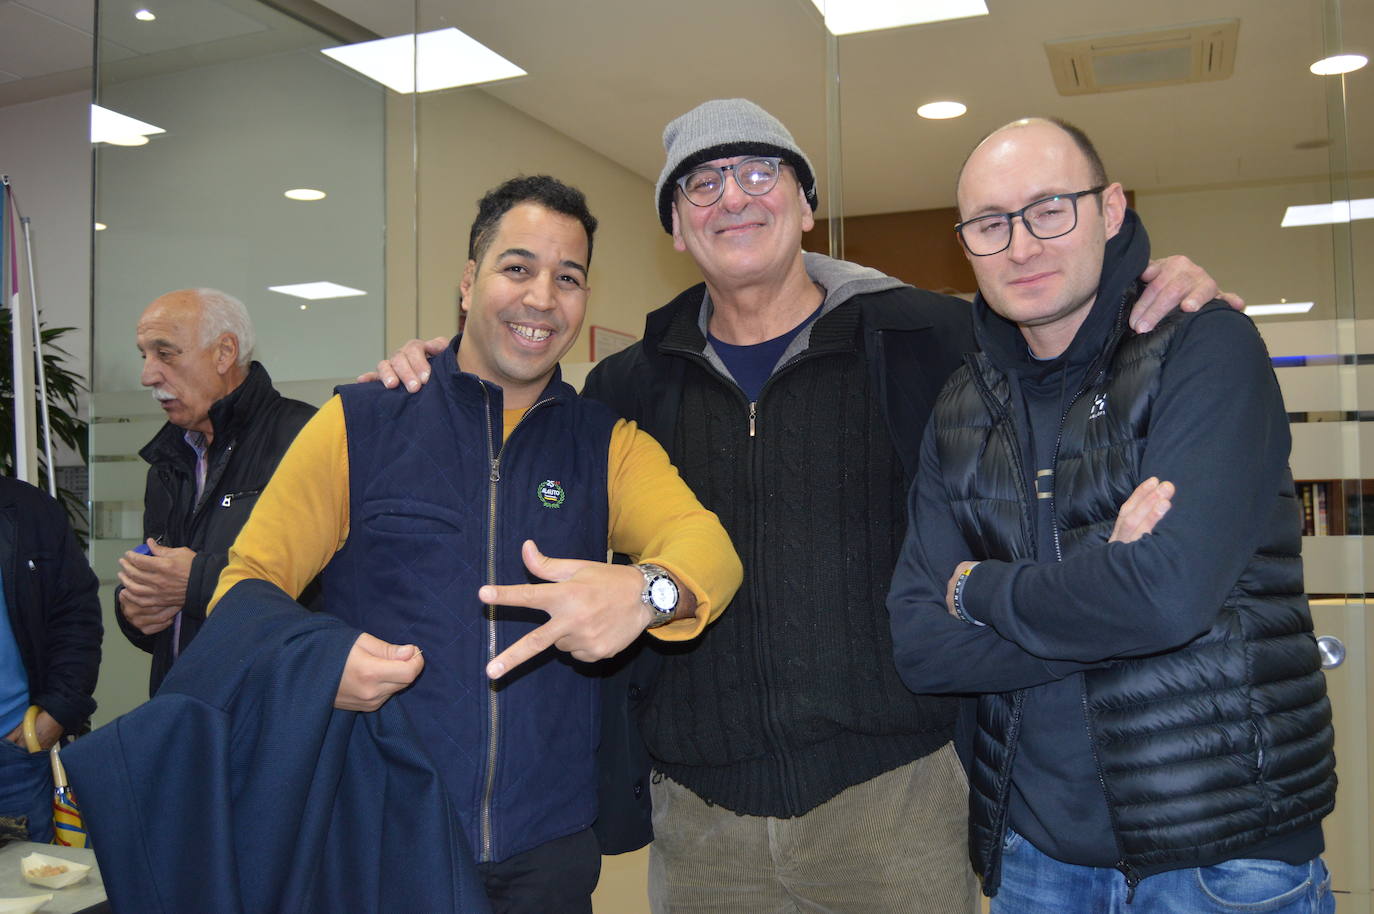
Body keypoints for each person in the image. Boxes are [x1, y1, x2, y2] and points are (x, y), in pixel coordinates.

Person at [374, 99, 1240, 912]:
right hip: (702, 821)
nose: (733, 199)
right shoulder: (628, 386)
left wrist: (1150, 288)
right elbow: (520, 437)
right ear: (677, 228)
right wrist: (443, 370)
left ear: (806, 204)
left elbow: (1063, 320)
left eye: (760, 174)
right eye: (701, 185)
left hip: (897, 804)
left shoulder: (926, 339)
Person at [208, 175, 742, 914]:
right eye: (517, 268)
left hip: (548, 851)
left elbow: (708, 548)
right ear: (468, 283)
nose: (542, 299)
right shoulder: (360, 423)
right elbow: (246, 586)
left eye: (569, 278)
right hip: (382, 837)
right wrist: (318, 663)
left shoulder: (605, 444)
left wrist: (649, 590)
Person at [887, 117, 1336, 913]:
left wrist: (980, 589)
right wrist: (1107, 591)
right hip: (1036, 859)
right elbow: (921, 646)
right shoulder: (961, 404)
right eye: (991, 225)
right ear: (968, 245)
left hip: (1222, 860)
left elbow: (1163, 595)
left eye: (1049, 208)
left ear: (1112, 208)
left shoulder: (1205, 346)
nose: (1021, 246)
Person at [116, 288, 316, 695]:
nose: (147, 376)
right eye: (144, 355)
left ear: (225, 353)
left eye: (165, 353)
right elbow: (164, 585)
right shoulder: (169, 461)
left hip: (270, 721)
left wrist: (199, 582)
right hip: (182, 719)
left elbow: (331, 588)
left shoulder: (305, 440)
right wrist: (135, 611)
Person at [0, 476, 101, 842]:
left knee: (34, 894)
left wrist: (58, 711)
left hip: (15, 757)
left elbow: (76, 617)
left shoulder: (30, 511)